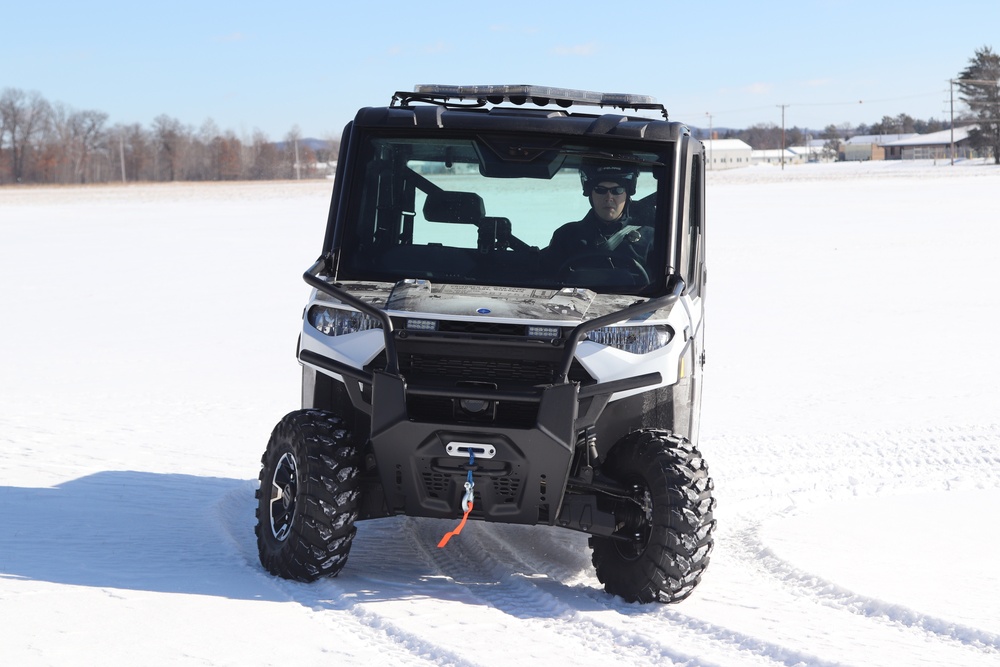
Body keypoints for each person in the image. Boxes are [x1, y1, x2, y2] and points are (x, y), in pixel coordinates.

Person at [545, 164, 653, 273]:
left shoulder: (650, 239)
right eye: (600, 190)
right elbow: (547, 280)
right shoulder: (567, 236)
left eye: (617, 190)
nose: (609, 198)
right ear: (591, 194)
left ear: (627, 194)